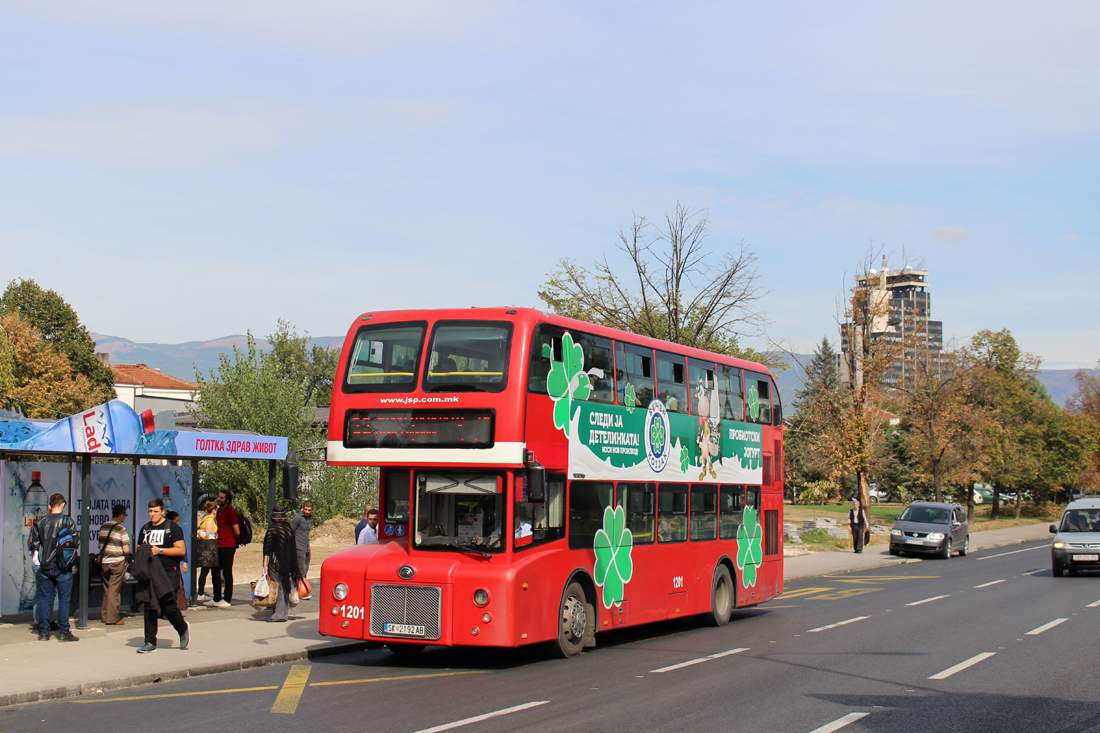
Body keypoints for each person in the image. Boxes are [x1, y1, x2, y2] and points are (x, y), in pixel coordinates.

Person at [135, 498, 189, 653]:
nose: (152, 514)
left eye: (156, 511)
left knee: (167, 605)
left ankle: (182, 628)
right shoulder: (145, 529)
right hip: (150, 572)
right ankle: (150, 641)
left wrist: (159, 550)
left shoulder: (172, 528)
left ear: (162, 512)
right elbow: (139, 547)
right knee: (149, 605)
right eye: (150, 511)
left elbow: (181, 550)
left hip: (168, 571)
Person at [28, 493, 80, 642]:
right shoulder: (67, 521)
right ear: (63, 504)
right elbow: (75, 542)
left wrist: (39, 560)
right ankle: (64, 632)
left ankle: (44, 632)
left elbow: (34, 544)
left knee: (45, 599)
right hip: (62, 566)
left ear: (49, 506)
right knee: (64, 600)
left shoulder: (40, 522)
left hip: (45, 566)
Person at [262, 505, 303, 623]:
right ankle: (283, 612)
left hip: (276, 563)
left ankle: (279, 614)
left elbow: (268, 550)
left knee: (277, 586)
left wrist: (265, 567)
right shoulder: (288, 528)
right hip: (289, 563)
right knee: (286, 587)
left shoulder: (272, 529)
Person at [206, 489, 240, 609]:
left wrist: (233, 540)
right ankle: (216, 597)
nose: (218, 499)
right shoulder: (219, 511)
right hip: (218, 544)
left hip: (228, 546)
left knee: (226, 572)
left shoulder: (231, 512)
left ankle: (227, 598)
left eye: (221, 498)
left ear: (227, 500)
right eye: (218, 497)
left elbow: (237, 530)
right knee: (215, 571)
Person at [97, 504, 131, 626]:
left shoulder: (103, 526)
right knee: (114, 590)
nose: (125, 517)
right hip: (116, 562)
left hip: (104, 562)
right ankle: (112, 618)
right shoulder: (121, 529)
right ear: (121, 514)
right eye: (125, 515)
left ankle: (105, 615)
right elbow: (126, 550)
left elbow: (99, 545)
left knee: (107, 589)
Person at [195, 499, 218, 602]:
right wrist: (215, 536)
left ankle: (201, 592)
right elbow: (209, 535)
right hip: (209, 548)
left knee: (205, 571)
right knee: (205, 570)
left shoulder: (205, 519)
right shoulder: (209, 520)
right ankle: (200, 592)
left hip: (207, 548)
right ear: (213, 510)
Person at [165, 511, 189, 610]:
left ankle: (174, 608)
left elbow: (183, 547)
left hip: (174, 562)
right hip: (166, 562)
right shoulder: (166, 529)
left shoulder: (177, 529)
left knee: (176, 587)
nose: (178, 523)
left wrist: (185, 561)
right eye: (176, 521)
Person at [290, 500, 313, 599]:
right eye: (305, 509)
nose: (307, 512)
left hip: (306, 547)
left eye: (309, 510)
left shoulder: (310, 519)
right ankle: (299, 591)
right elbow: (291, 531)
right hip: (298, 547)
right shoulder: (298, 518)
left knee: (305, 569)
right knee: (301, 570)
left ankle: (300, 589)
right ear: (302, 508)